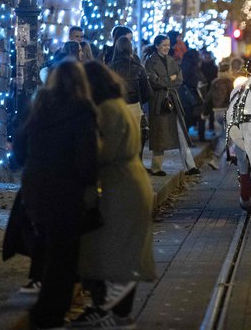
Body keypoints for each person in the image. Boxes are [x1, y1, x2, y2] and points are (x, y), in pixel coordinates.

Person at [13, 59, 99, 329]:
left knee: (50, 249)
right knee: (65, 258)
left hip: (36, 188)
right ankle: (50, 315)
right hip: (65, 190)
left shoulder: (38, 107)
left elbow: (19, 151)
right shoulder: (82, 110)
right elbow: (86, 158)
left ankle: (49, 313)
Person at [70, 62, 156, 328]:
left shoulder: (106, 110)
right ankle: (115, 313)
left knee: (108, 248)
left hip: (120, 188)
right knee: (121, 248)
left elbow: (101, 150)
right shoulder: (117, 105)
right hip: (129, 184)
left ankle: (107, 308)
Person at [144, 34, 200, 176]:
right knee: (159, 134)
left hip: (173, 100)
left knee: (181, 132)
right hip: (158, 101)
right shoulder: (150, 62)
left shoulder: (172, 60)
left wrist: (165, 80)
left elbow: (179, 79)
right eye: (164, 45)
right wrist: (170, 79)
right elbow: (153, 81)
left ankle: (190, 166)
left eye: (168, 45)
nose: (167, 48)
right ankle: (156, 167)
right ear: (157, 45)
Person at [110, 35, 152, 159]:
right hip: (134, 106)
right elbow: (146, 92)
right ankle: (134, 165)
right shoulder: (138, 67)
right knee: (134, 138)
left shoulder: (111, 68)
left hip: (117, 107)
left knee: (119, 139)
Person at [203, 59, 234, 170]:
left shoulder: (215, 82)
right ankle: (215, 159)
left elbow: (208, 98)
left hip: (217, 112)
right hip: (227, 111)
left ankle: (228, 155)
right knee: (225, 136)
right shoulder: (231, 82)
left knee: (225, 133)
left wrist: (205, 113)